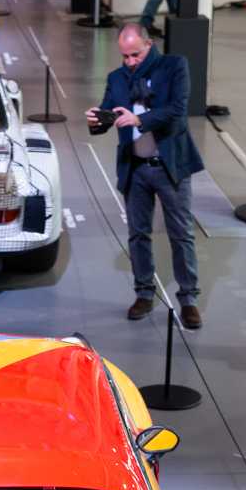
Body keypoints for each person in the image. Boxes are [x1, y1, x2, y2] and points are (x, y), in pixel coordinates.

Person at [91, 23, 205, 328]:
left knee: (181, 233)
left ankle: (189, 298)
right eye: (125, 56)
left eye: (135, 55)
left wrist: (139, 119)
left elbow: (177, 111)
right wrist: (96, 121)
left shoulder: (174, 66)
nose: (129, 62)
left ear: (149, 44)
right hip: (136, 168)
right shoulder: (117, 78)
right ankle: (143, 292)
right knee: (138, 233)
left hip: (169, 167)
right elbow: (108, 113)